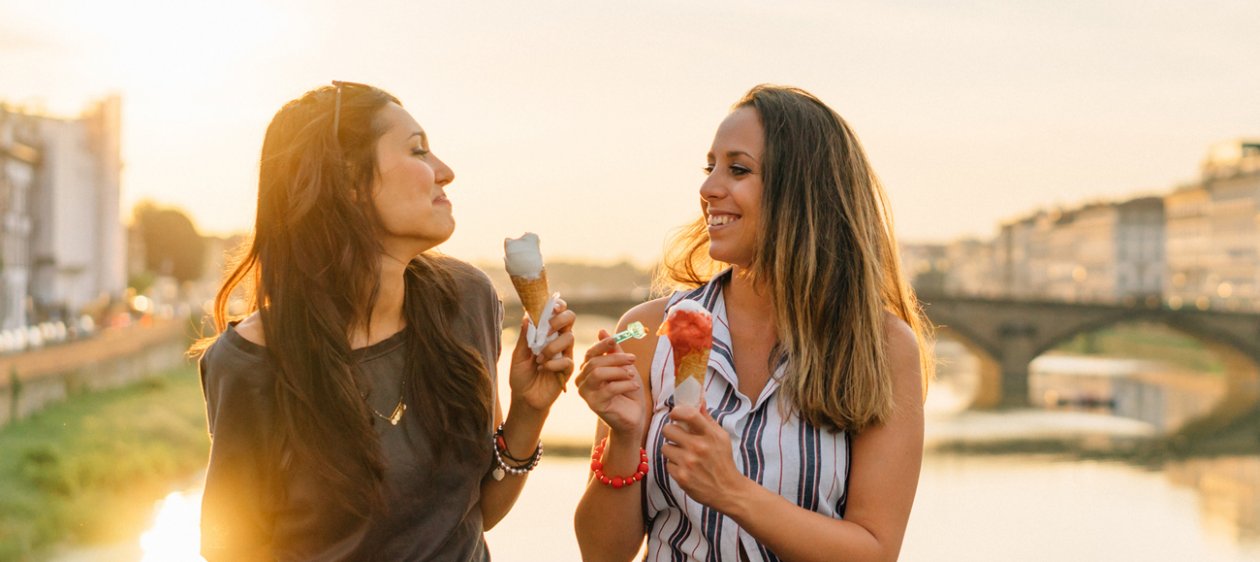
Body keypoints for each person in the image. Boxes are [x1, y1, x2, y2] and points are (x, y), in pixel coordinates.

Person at [193, 81, 575, 561]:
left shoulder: (466, 300)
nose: (446, 172)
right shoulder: (250, 363)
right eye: (419, 151)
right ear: (349, 182)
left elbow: (470, 516)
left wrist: (529, 411)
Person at [574, 85, 933, 561]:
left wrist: (731, 491)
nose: (707, 189)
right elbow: (604, 554)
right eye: (710, 167)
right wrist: (622, 439)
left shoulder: (881, 347)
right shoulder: (650, 334)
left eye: (738, 169)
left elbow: (874, 551)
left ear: (803, 191)